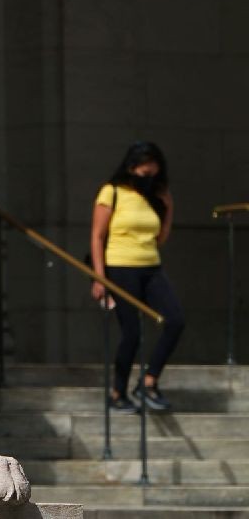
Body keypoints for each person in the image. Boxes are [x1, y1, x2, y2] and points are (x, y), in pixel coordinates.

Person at [90, 141, 185, 413]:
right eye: (144, 174)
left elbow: (161, 239)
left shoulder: (154, 196)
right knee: (132, 332)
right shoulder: (112, 192)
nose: (149, 179)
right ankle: (117, 391)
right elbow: (97, 236)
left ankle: (149, 380)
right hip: (120, 266)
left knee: (175, 320)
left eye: (154, 174)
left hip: (151, 265)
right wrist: (99, 278)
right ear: (131, 168)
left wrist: (168, 209)